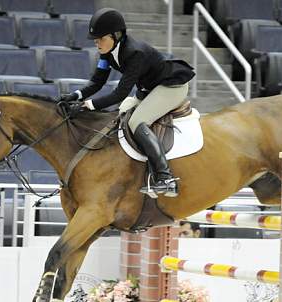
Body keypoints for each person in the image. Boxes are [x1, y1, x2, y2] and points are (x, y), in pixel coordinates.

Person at [59, 8, 195, 197]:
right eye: (96, 39)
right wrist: (76, 95)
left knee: (137, 122)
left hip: (170, 86)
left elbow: (120, 93)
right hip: (149, 89)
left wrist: (89, 105)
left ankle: (165, 178)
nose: (97, 43)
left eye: (100, 38)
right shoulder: (107, 53)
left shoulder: (134, 53)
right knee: (118, 116)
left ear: (116, 35)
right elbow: (97, 82)